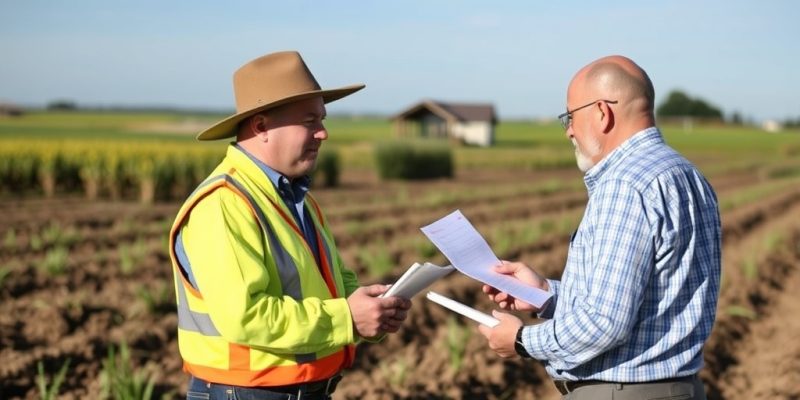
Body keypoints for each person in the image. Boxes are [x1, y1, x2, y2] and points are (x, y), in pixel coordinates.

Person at [168, 51, 411, 400]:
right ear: (261, 127)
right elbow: (247, 316)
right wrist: (347, 318)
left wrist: (372, 308)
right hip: (244, 393)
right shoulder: (223, 204)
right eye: (310, 121)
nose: (323, 133)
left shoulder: (297, 199)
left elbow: (334, 282)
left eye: (322, 119)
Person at [478, 55, 720, 400]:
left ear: (602, 113)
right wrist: (544, 294)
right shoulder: (688, 175)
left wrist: (520, 341)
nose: (569, 130)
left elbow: (605, 322)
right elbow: (648, 299)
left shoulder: (625, 185)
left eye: (570, 117)